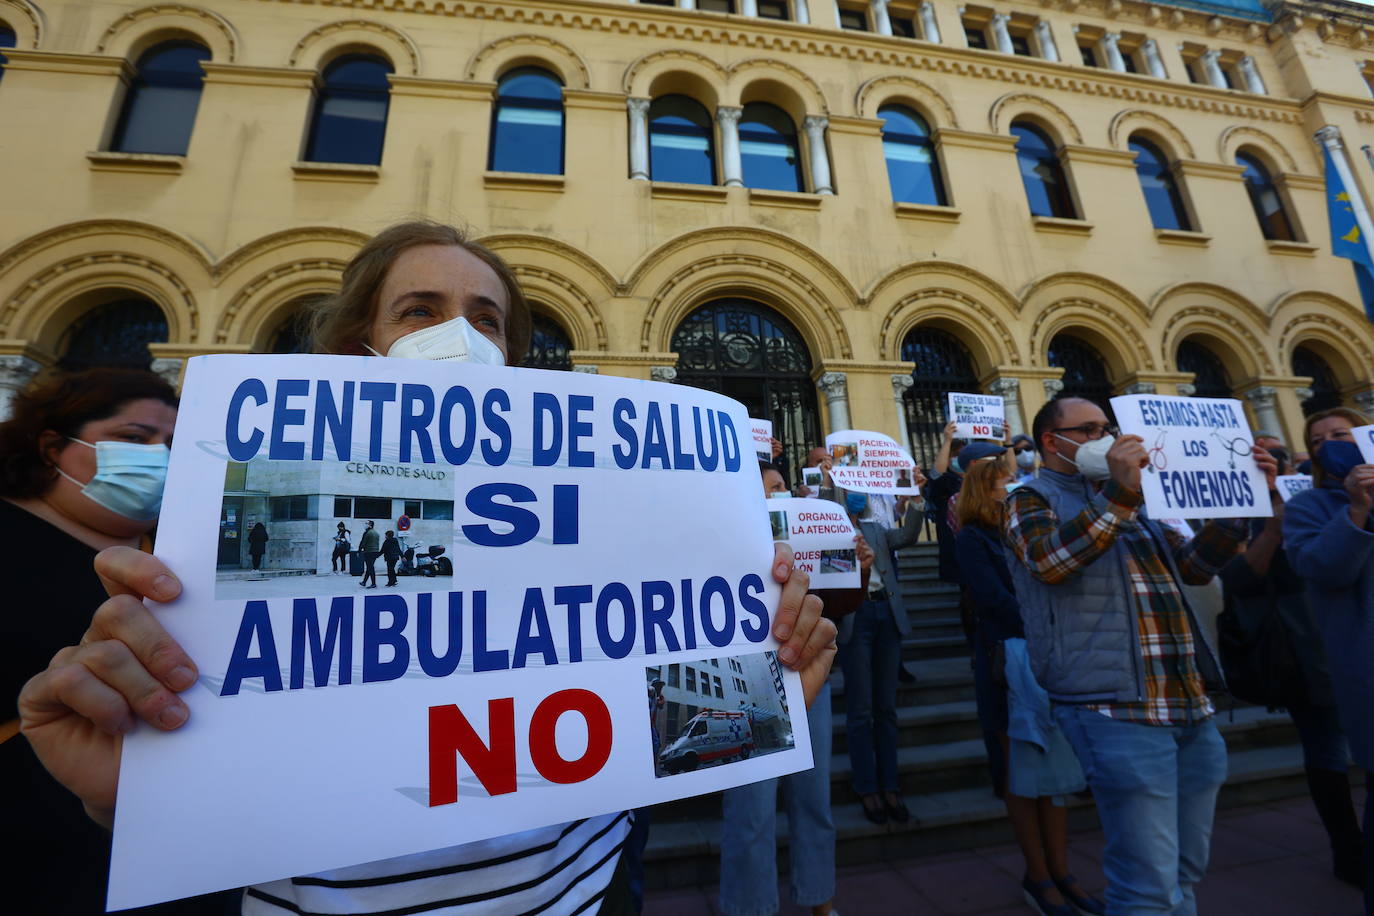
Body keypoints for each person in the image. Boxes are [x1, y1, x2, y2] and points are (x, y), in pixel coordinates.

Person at [18, 221, 837, 916]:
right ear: (357, 348)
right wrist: (138, 777)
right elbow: (235, 753)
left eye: (488, 320)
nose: (462, 336)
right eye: (421, 310)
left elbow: (610, 719)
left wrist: (759, 696)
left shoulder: (592, 520)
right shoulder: (271, 516)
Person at [1004, 396, 1276, 916]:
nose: (1106, 438)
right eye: (1089, 430)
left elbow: (1195, 566)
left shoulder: (1143, 502)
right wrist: (1120, 496)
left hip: (1187, 704)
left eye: (1109, 427)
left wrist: (1241, 504)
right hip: (1114, 707)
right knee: (1146, 885)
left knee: (1184, 869)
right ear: (1051, 441)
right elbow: (1050, 561)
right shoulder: (1029, 498)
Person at [0, 368, 230, 915]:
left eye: (172, 444)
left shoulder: (184, 555)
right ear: (53, 445)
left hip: (175, 856)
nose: (159, 455)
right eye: (133, 438)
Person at [955, 453, 1102, 916]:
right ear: (985, 490)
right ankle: (1038, 876)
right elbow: (994, 600)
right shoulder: (973, 539)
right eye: (1005, 481)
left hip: (1044, 658)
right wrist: (1046, 615)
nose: (1014, 485)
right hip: (1007, 663)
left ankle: (1061, 871)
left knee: (1055, 775)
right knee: (1019, 772)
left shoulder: (1025, 529)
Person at [1218, 446, 1363, 889]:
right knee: (1327, 749)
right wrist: (1273, 525)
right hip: (1304, 645)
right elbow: (1236, 580)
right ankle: (1349, 849)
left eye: (1340, 436)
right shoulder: (1247, 511)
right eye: (1319, 441)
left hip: (1354, 633)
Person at [1283, 406, 1374, 908]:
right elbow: (1322, 566)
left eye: (1340, 434)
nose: (1329, 445)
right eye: (1317, 441)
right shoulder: (1311, 507)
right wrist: (1356, 510)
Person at [842, 482, 923, 825]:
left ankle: (891, 786)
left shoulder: (876, 528)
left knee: (886, 708)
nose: (856, 497)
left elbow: (905, 536)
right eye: (848, 491)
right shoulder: (824, 533)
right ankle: (867, 788)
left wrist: (917, 501)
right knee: (860, 709)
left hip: (886, 616)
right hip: (855, 618)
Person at [358, 519, 380, 588]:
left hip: (368, 552)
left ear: (370, 525)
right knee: (369, 567)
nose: (365, 525)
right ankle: (364, 582)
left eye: (366, 523)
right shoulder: (376, 533)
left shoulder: (367, 533)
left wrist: (359, 551)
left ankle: (373, 583)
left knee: (370, 568)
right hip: (375, 552)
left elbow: (363, 543)